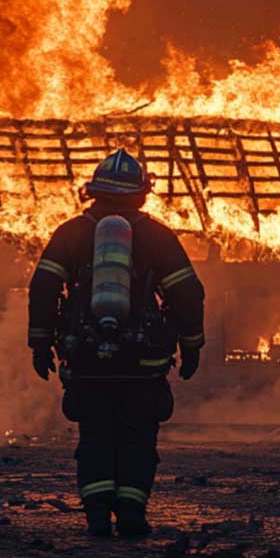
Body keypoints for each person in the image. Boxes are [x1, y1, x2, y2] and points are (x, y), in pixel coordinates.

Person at [28, 149, 205, 538]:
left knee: (94, 435)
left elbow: (43, 288)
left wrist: (40, 343)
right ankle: (131, 515)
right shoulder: (158, 236)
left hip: (87, 358)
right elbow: (188, 294)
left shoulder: (71, 233)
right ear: (142, 193)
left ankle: (95, 517)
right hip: (142, 363)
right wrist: (191, 345)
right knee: (138, 437)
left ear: (93, 191)